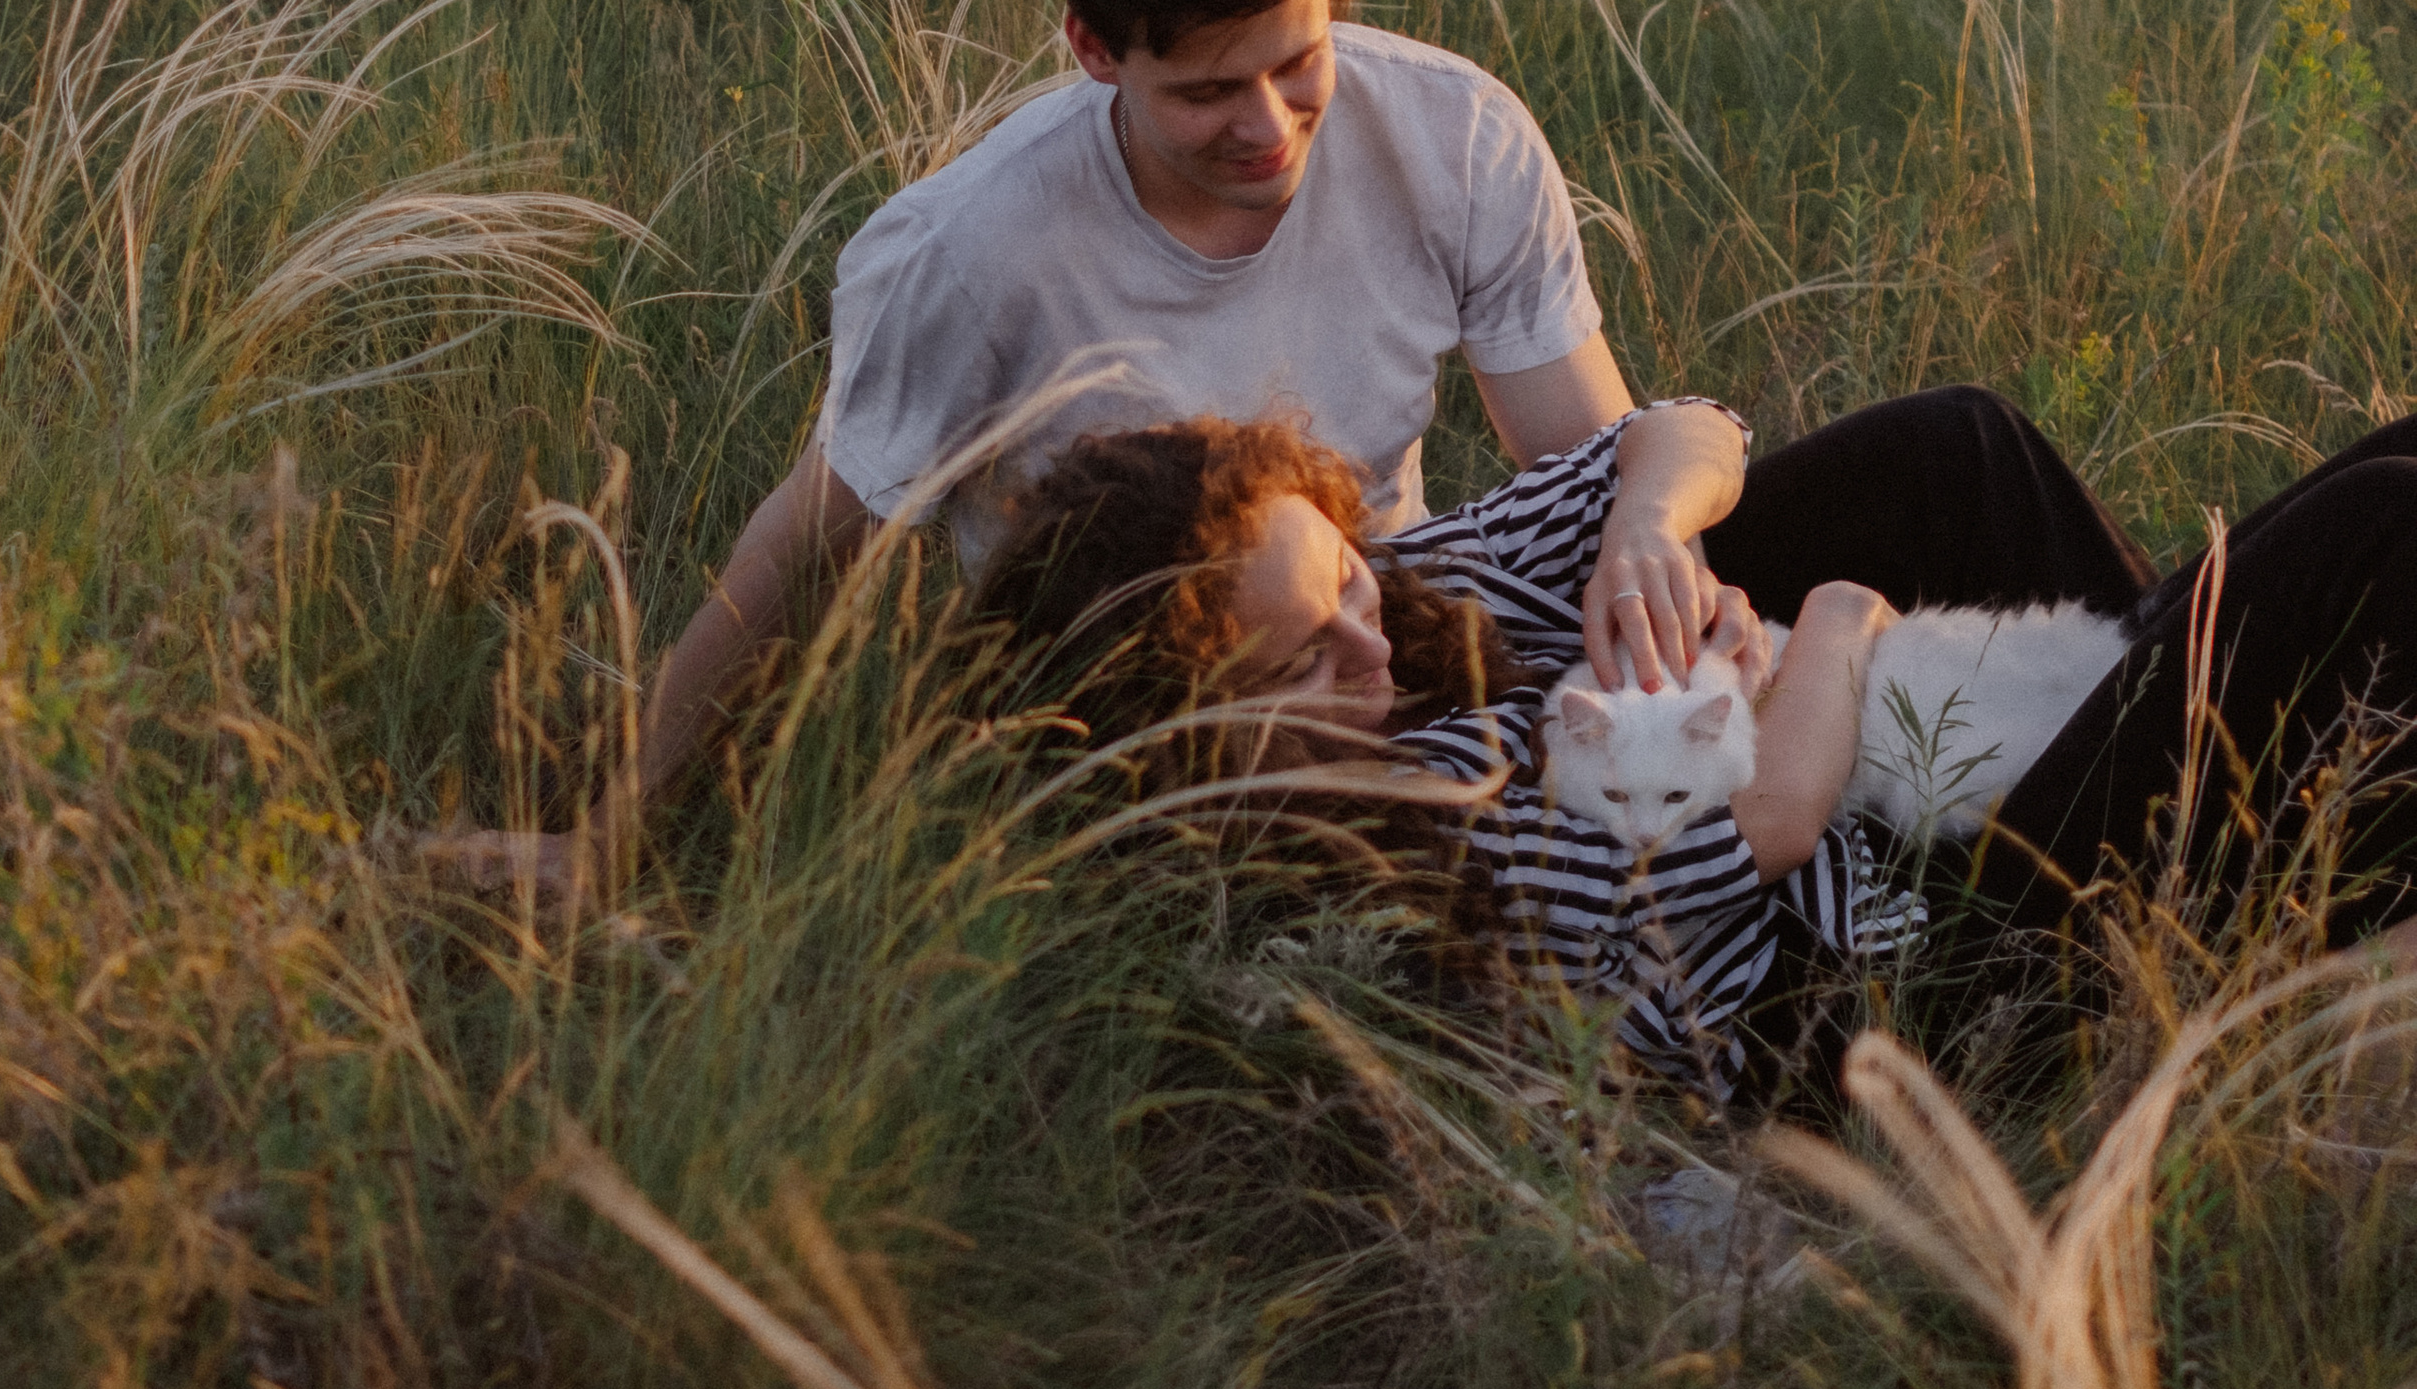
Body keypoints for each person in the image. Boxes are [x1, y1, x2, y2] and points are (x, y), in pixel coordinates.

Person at [642, 0, 1755, 796]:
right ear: (1093, 49)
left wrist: (1656, 554)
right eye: (1207, 91)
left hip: (1407, 642)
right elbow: (800, 554)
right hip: (1177, 761)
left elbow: (1585, 470)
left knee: (1920, 464)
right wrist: (614, 833)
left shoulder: (1453, 137)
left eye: (1296, 61)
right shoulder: (968, 254)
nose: (1267, 128)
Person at [982, 402, 2417, 1094]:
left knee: (1962, 450)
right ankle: (2215, 795)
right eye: (1304, 659)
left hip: (1920, 800)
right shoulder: (1413, 833)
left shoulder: (1412, 595)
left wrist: (1646, 534)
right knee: (2382, 541)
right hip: (1931, 980)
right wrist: (1832, 636)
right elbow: (1769, 822)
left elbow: (1680, 433)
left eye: (1345, 581)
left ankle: (2168, 711)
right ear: (1199, 742)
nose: (1370, 637)